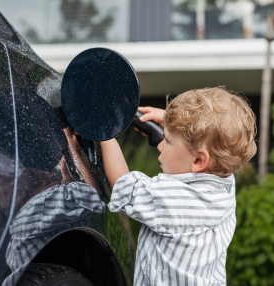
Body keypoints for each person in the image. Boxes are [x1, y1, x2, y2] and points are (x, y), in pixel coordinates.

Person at [99, 87, 257, 285]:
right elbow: (212, 138)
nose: (160, 145)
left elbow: (124, 184)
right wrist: (171, 123)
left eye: (167, 140)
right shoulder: (224, 185)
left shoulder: (175, 199)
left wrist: (104, 135)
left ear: (199, 160)